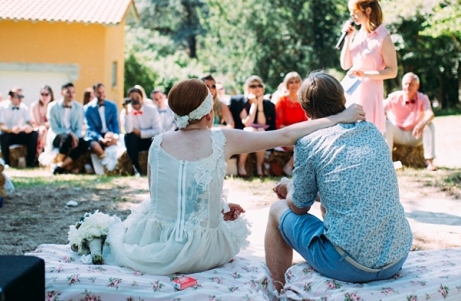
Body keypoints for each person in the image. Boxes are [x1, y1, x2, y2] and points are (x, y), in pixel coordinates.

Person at [106, 78, 364, 275]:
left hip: (155, 241)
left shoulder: (157, 143)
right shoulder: (222, 138)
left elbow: (161, 197)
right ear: (209, 113)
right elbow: (285, 136)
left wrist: (219, 207)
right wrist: (340, 117)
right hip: (200, 252)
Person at [264, 71, 412, 289]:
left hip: (349, 265)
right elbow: (347, 189)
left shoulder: (309, 143)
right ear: (343, 99)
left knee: (277, 209)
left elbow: (298, 206)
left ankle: (278, 296)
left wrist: (289, 186)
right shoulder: (372, 131)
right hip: (396, 256)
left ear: (305, 110)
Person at [339, 0, 399, 134]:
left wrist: (365, 74)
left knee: (366, 134)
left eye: (354, 11)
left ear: (368, 10)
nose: (352, 16)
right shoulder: (359, 34)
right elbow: (345, 64)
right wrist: (348, 38)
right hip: (351, 91)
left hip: (369, 93)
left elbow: (392, 71)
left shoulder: (383, 37)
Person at [384, 72, 437, 170]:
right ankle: (387, 162)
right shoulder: (393, 97)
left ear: (417, 86)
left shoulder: (423, 98)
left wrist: (421, 124)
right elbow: (381, 109)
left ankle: (429, 161)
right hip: (399, 133)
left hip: (415, 134)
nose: (408, 87)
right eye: (406, 84)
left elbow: (430, 114)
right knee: (387, 125)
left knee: (430, 125)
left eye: (411, 84)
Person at [236, 75, 276, 178]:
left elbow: (262, 123)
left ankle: (259, 165)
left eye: (259, 85)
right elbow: (247, 122)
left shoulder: (268, 104)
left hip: (260, 130)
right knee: (251, 130)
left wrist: (260, 104)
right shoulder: (242, 102)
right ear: (248, 88)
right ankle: (241, 165)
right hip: (245, 130)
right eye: (253, 86)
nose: (257, 88)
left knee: (261, 130)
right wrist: (254, 104)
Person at [119, 86, 162, 176]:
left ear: (142, 98)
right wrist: (127, 112)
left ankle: (157, 168)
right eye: (132, 98)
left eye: (137, 97)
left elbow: (158, 130)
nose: (135, 100)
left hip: (150, 140)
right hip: (135, 142)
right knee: (128, 137)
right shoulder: (125, 112)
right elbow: (128, 130)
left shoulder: (152, 110)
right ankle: (136, 168)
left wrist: (140, 133)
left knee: (159, 139)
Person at [48, 82, 88, 174]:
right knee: (66, 138)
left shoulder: (79, 107)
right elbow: (54, 128)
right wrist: (70, 134)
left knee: (85, 144)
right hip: (58, 136)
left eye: (73, 92)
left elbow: (78, 127)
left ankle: (60, 166)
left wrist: (76, 138)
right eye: (68, 92)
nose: (71, 94)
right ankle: (57, 162)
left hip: (74, 136)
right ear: (62, 93)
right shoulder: (52, 107)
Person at [274, 71, 308, 176]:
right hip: (285, 135)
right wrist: (297, 130)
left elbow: (307, 121)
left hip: (301, 135)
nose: (294, 85)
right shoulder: (281, 101)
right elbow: (279, 125)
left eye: (297, 81)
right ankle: (288, 166)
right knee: (302, 145)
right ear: (286, 84)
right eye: (291, 82)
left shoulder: (304, 101)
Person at [0, 87, 39, 168]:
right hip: (6, 134)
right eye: (17, 96)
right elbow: (0, 125)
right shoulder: (1, 107)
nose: (20, 99)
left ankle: (31, 162)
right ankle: (6, 162)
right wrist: (11, 130)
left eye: (21, 96)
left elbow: (30, 122)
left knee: (34, 134)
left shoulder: (24, 107)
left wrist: (29, 127)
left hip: (19, 133)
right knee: (2, 136)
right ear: (10, 97)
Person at [84, 82, 120, 165]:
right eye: (99, 93)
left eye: (103, 92)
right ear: (94, 93)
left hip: (109, 133)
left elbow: (115, 124)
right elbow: (90, 128)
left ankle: (115, 163)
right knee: (93, 144)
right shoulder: (87, 109)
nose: (101, 95)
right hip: (96, 136)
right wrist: (101, 139)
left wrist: (115, 136)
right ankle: (106, 161)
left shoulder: (112, 106)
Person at [30, 85, 53, 156]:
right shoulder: (35, 106)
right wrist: (47, 124)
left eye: (46, 94)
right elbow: (37, 123)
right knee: (43, 130)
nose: (44, 97)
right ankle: (38, 155)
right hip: (38, 129)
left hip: (51, 128)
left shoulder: (53, 106)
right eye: (42, 94)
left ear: (51, 95)